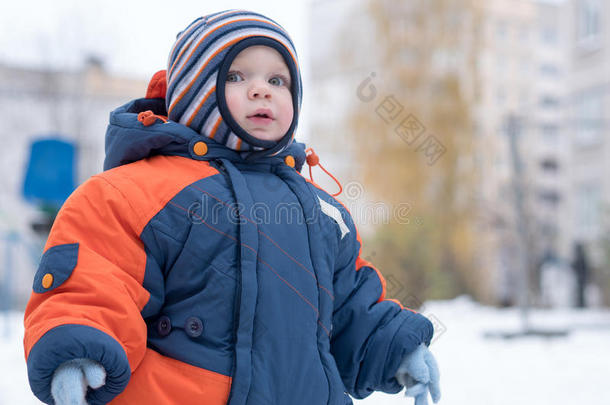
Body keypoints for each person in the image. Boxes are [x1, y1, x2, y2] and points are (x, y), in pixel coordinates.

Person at [23, 10, 440, 405]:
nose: (262, 89)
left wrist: (394, 346)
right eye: (237, 76)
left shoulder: (321, 211)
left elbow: (349, 307)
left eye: (279, 80)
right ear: (192, 94)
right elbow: (95, 278)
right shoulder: (136, 193)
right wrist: (79, 343)